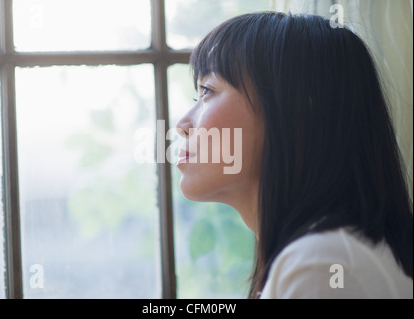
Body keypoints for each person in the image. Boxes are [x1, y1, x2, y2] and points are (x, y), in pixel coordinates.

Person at [176, 12, 413, 299]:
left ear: (297, 113)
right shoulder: (329, 256)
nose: (182, 125)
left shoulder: (322, 265)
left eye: (207, 90)